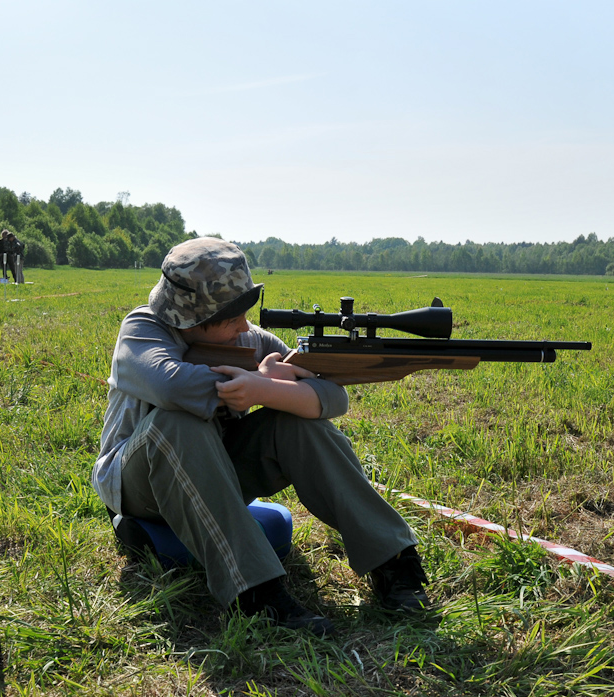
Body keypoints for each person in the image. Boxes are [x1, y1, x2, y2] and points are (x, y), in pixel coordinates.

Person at [91, 238, 429, 635]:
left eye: (243, 313)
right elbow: (171, 387)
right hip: (138, 484)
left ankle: (392, 560)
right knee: (176, 423)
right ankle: (256, 594)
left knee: (299, 424)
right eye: (228, 319)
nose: (243, 326)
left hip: (215, 476)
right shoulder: (143, 328)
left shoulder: (248, 340)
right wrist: (260, 381)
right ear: (190, 320)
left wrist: (268, 391)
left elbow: (332, 398)